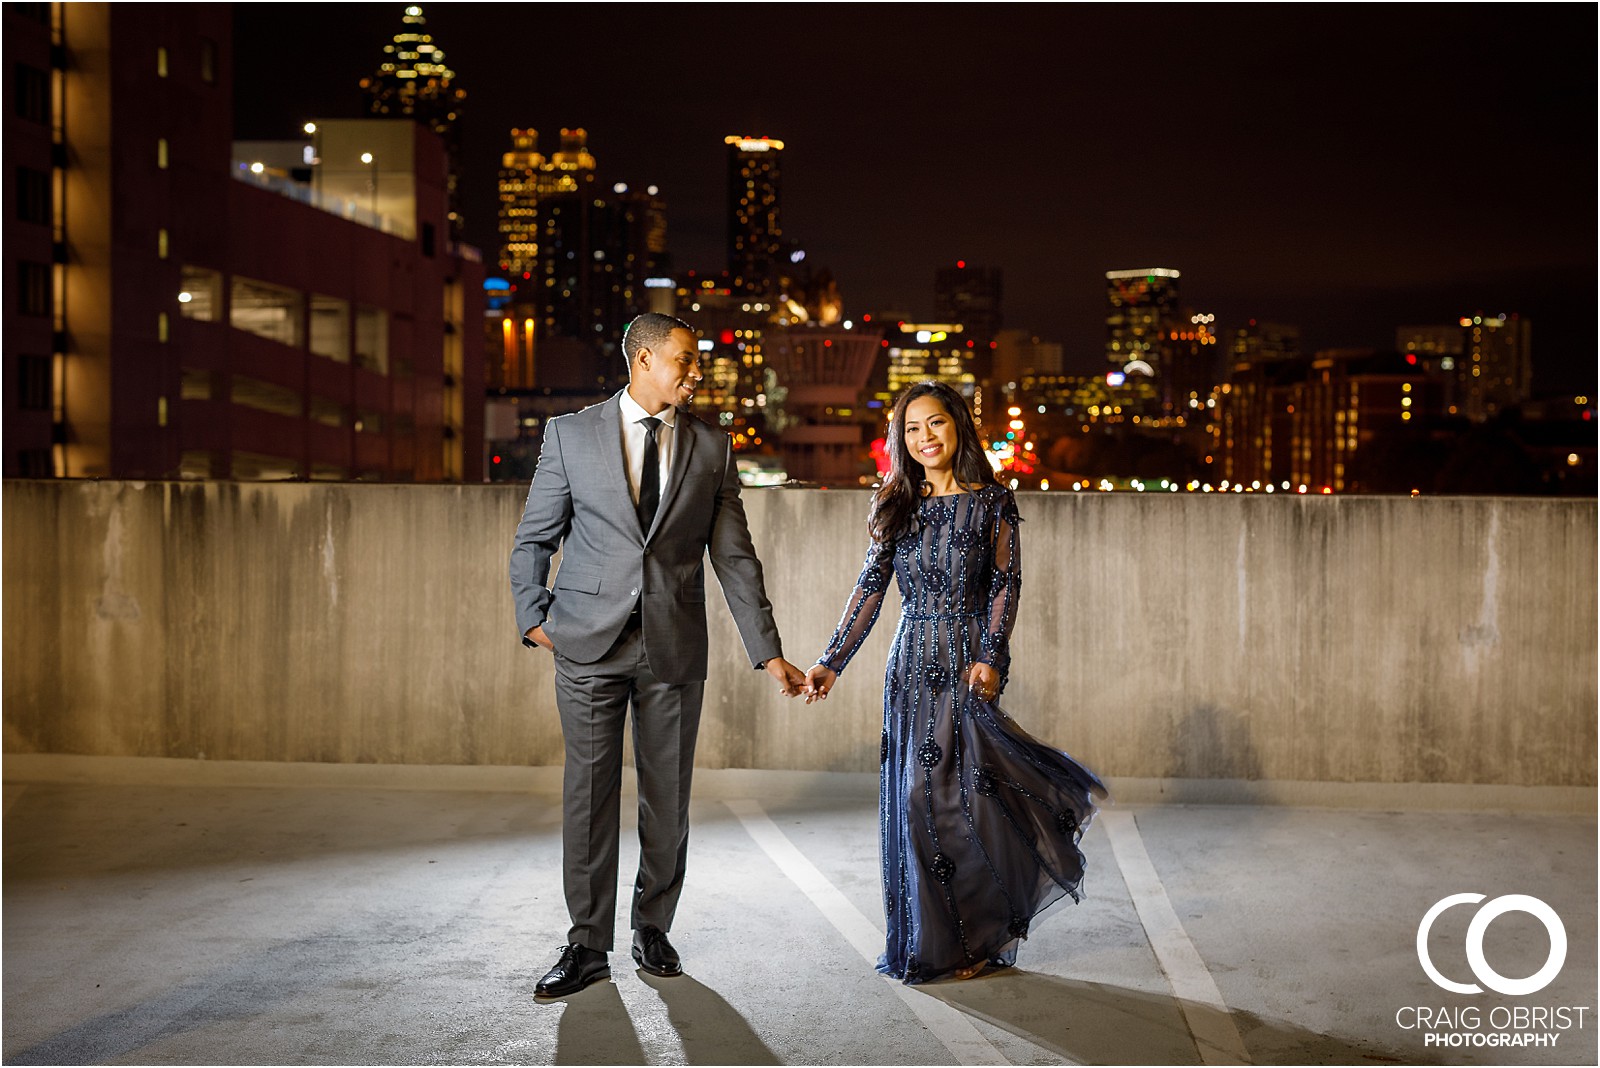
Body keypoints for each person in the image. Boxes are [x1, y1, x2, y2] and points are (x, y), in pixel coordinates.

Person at [511, 313, 808, 998]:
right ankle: (587, 946)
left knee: (666, 799)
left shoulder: (712, 446)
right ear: (642, 360)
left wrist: (768, 653)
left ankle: (653, 930)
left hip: (674, 645)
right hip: (586, 642)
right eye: (686, 359)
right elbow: (534, 539)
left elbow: (734, 557)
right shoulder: (571, 434)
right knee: (587, 796)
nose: (696, 371)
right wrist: (534, 619)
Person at [804, 380, 1107, 984]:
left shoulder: (992, 503)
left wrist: (993, 656)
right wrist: (831, 661)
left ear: (958, 426)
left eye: (935, 424)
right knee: (916, 801)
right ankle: (933, 941)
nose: (925, 438)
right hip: (911, 667)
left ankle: (974, 937)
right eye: (912, 429)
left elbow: (1005, 584)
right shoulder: (894, 502)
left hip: (967, 662)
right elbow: (870, 589)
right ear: (901, 439)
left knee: (967, 799)